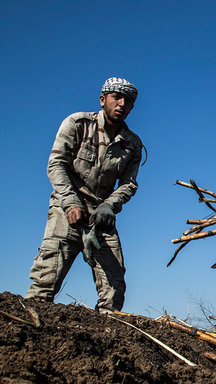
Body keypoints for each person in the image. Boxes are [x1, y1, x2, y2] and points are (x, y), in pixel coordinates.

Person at [25, 77, 143, 313]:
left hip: (101, 216)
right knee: (44, 284)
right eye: (116, 97)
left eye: (127, 101)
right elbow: (56, 165)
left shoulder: (132, 144)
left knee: (114, 290)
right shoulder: (78, 124)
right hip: (66, 209)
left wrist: (110, 205)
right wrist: (70, 203)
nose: (121, 104)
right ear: (102, 100)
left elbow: (129, 184)